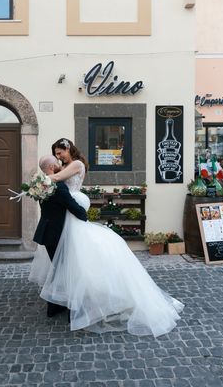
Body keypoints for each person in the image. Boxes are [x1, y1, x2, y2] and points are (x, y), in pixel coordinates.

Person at [30, 138, 184, 336]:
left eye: (60, 152)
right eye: (56, 154)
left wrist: (40, 180)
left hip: (72, 213)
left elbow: (57, 179)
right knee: (67, 261)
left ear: (68, 148)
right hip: (65, 217)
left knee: (77, 261)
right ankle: (65, 299)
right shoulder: (64, 166)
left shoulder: (76, 164)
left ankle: (81, 300)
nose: (59, 157)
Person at [31, 155, 89, 318]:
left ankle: (54, 306)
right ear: (50, 167)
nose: (59, 165)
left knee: (58, 269)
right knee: (66, 270)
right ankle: (71, 307)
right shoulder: (58, 186)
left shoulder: (40, 185)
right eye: (56, 163)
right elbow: (73, 207)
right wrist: (85, 216)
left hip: (46, 233)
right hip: (57, 233)